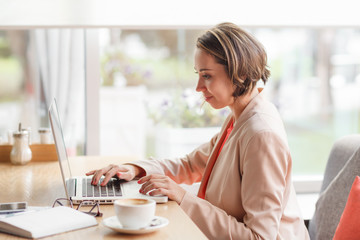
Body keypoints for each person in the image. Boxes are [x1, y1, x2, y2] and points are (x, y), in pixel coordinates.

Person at [86, 22, 310, 239]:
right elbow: (190, 165)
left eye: (207, 75)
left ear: (239, 73)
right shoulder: (240, 117)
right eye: (199, 74)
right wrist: (135, 169)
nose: (198, 87)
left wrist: (183, 197)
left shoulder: (261, 135)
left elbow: (259, 237)